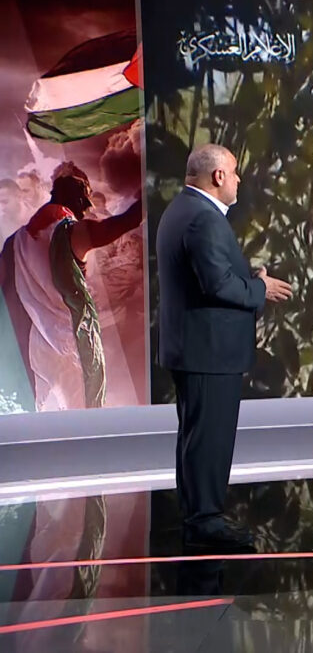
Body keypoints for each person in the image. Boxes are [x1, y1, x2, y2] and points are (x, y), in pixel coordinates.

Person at [156, 144, 291, 550]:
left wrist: (249, 280)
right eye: (233, 172)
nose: (238, 180)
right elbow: (217, 285)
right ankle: (205, 520)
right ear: (218, 176)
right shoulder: (203, 218)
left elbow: (210, 275)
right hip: (208, 352)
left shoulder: (182, 210)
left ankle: (198, 515)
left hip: (196, 349)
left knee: (197, 437)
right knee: (208, 439)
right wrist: (260, 289)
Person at [0, 163, 142, 411]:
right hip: (67, 342)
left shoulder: (15, 242)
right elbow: (124, 222)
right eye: (85, 199)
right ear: (76, 199)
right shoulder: (71, 231)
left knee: (30, 413)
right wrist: (148, 197)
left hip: (29, 345)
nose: (88, 208)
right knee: (84, 415)